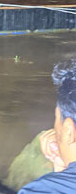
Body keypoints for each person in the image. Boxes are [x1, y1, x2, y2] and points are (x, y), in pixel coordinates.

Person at [19, 60, 76, 193]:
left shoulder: (39, 191)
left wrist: (60, 176)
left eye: (57, 119)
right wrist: (62, 171)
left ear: (68, 131)